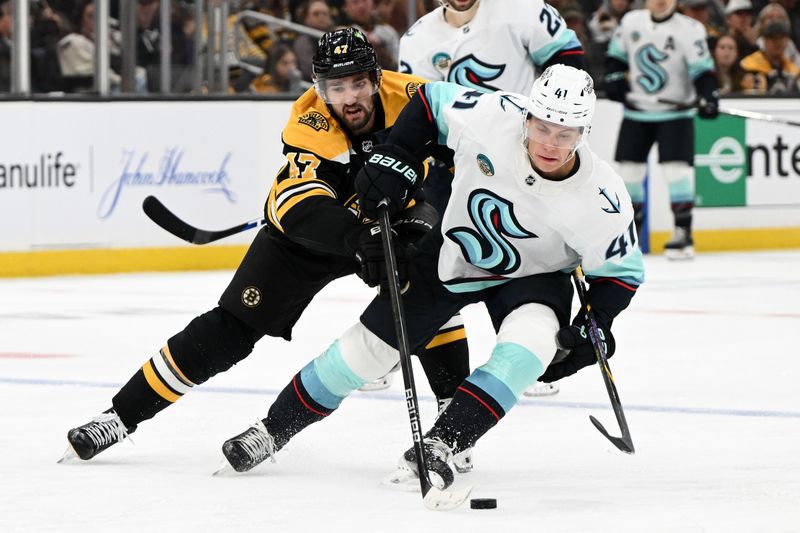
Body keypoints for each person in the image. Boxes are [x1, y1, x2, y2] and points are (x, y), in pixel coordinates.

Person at [61, 28, 471, 469]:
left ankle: (453, 427)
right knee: (229, 332)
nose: (349, 97)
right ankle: (119, 416)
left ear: (376, 78)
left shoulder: (417, 96)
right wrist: (359, 240)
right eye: (336, 87)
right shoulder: (309, 122)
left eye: (358, 83)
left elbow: (475, 135)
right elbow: (301, 205)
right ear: (319, 89)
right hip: (308, 238)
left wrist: (429, 207)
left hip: (389, 221)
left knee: (428, 292)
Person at [217, 65, 644, 489]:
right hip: (450, 256)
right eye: (543, 126)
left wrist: (598, 322)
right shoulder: (494, 114)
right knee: (363, 353)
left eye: (565, 134)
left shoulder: (602, 197)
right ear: (528, 116)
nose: (550, 143)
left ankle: (443, 442)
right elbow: (430, 101)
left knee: (531, 346)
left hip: (534, 276)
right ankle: (272, 430)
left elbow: (621, 273)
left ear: (584, 133)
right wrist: (398, 154)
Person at [398, 0, 588, 397]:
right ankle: (420, 363)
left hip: (522, 165)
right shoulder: (417, 38)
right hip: (450, 168)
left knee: (521, 258)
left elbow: (569, 64)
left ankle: (521, 350)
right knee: (417, 261)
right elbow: (415, 107)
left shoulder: (522, 9)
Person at [605, 0, 720, 259]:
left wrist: (709, 95)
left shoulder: (690, 29)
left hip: (675, 114)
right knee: (630, 172)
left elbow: (703, 72)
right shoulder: (631, 22)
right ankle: (631, 234)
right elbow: (615, 59)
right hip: (637, 111)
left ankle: (683, 232)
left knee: (676, 170)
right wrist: (613, 79)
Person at [740, 20, 800, 93]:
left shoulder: (793, 71)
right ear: (764, 40)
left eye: (781, 38)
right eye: (773, 38)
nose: (778, 43)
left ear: (787, 40)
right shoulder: (748, 65)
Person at [342, 0, 400, 70]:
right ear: (345, 8)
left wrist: (379, 49)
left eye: (365, 1)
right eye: (355, 2)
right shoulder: (341, 35)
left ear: (373, 4)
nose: (361, 6)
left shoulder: (388, 32)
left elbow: (398, 65)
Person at [292, 0, 333, 81]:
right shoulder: (302, 41)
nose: (321, 17)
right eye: (316, 14)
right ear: (306, 18)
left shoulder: (336, 35)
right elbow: (310, 70)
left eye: (325, 14)